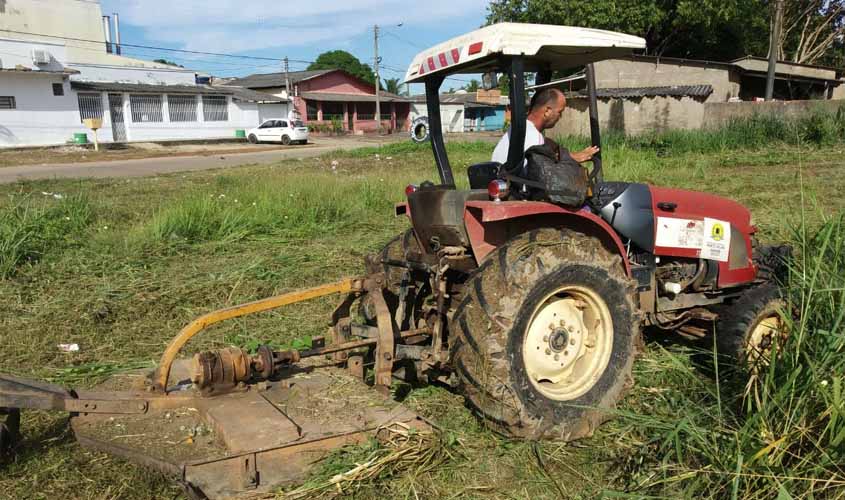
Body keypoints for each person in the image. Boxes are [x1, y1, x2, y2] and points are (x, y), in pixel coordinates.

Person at [491, 88, 599, 165]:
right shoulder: (534, 138)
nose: (560, 117)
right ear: (547, 111)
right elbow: (546, 173)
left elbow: (547, 144)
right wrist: (572, 160)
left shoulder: (518, 130)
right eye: (559, 112)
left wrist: (569, 155)